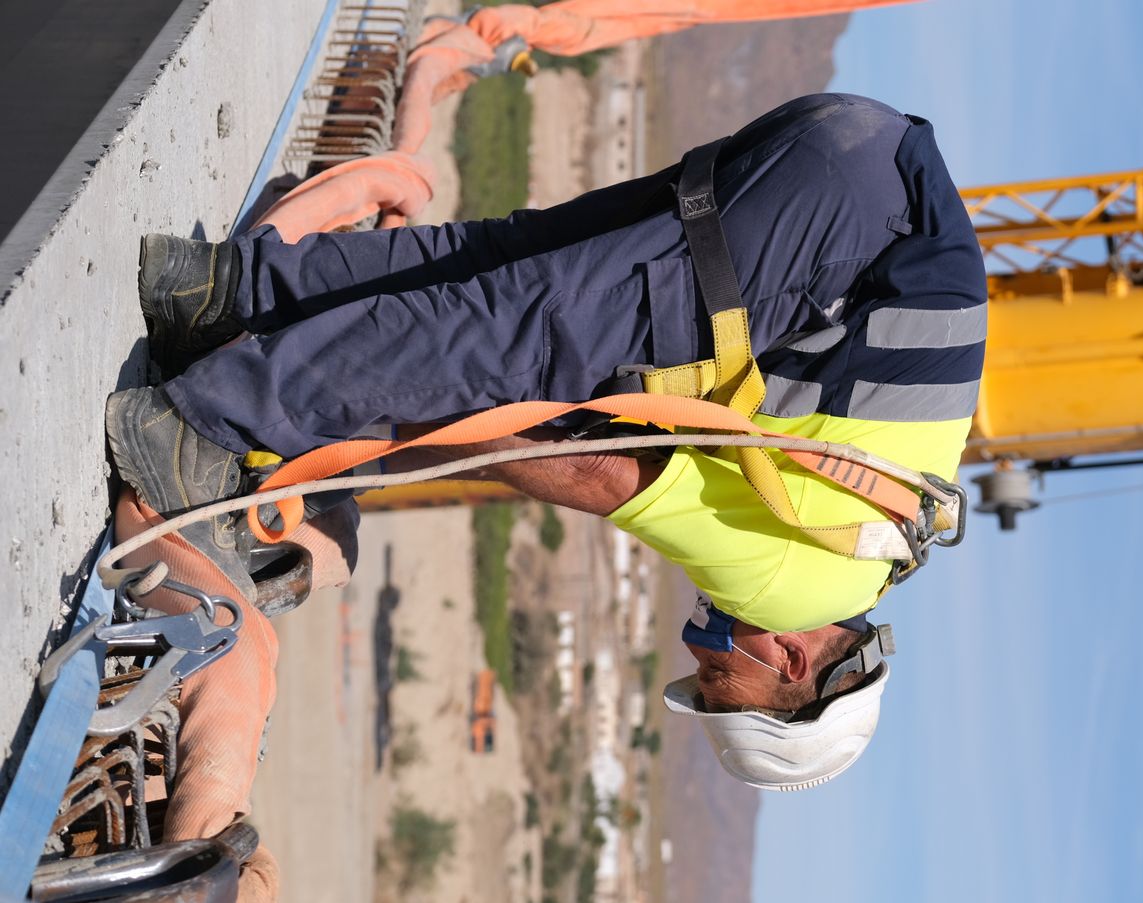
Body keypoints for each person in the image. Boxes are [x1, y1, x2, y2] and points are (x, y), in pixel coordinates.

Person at [108, 93, 986, 789]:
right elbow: (584, 465)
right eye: (720, 683)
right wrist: (361, 450)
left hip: (853, 162)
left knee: (509, 270)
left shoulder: (868, 548)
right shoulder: (793, 583)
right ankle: (197, 429)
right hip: (843, 229)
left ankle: (221, 294)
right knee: (521, 337)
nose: (695, 656)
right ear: (793, 660)